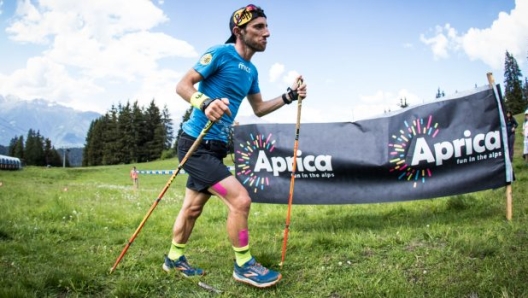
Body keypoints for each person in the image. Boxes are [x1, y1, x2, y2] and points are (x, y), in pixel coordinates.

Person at [162, 4, 307, 288]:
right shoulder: (219, 53)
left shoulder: (251, 71)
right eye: (259, 27)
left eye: (266, 26)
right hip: (195, 145)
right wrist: (204, 102)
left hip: (215, 148)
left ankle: (173, 259)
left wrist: (289, 96)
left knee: (192, 209)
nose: (267, 33)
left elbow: (260, 108)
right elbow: (183, 85)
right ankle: (244, 265)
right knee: (240, 200)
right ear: (238, 31)